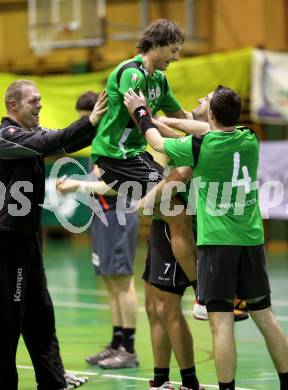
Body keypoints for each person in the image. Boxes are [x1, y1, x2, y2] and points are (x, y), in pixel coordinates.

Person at [124, 85, 288, 390]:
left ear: (211, 113)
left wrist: (140, 111)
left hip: (218, 245)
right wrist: (170, 121)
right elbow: (203, 127)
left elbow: (156, 143)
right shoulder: (249, 137)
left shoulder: (200, 148)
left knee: (221, 323)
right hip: (251, 240)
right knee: (265, 317)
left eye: (207, 102)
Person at [0, 79, 106, 390]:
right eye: (33, 100)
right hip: (8, 238)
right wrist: (89, 120)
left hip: (29, 234)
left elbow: (64, 142)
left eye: (41, 99)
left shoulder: (32, 134)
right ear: (13, 106)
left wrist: (96, 124)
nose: (40, 105)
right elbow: (50, 143)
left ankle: (52, 379)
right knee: (9, 317)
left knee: (41, 311)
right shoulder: (6, 136)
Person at [90, 18, 198, 287]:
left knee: (178, 211)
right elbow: (143, 118)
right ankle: (202, 289)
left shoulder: (159, 80)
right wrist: (186, 142)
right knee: (177, 209)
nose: (177, 56)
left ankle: (175, 275)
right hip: (116, 155)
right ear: (158, 44)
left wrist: (212, 128)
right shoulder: (131, 72)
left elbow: (181, 115)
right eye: (173, 50)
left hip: (135, 155)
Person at [57, 91, 139, 369]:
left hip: (119, 214)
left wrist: (76, 185)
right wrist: (78, 180)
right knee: (110, 282)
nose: (88, 126)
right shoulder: (99, 145)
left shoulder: (115, 143)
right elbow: (97, 179)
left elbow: (113, 186)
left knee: (123, 281)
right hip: (102, 214)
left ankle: (129, 350)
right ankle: (116, 342)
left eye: (90, 119)